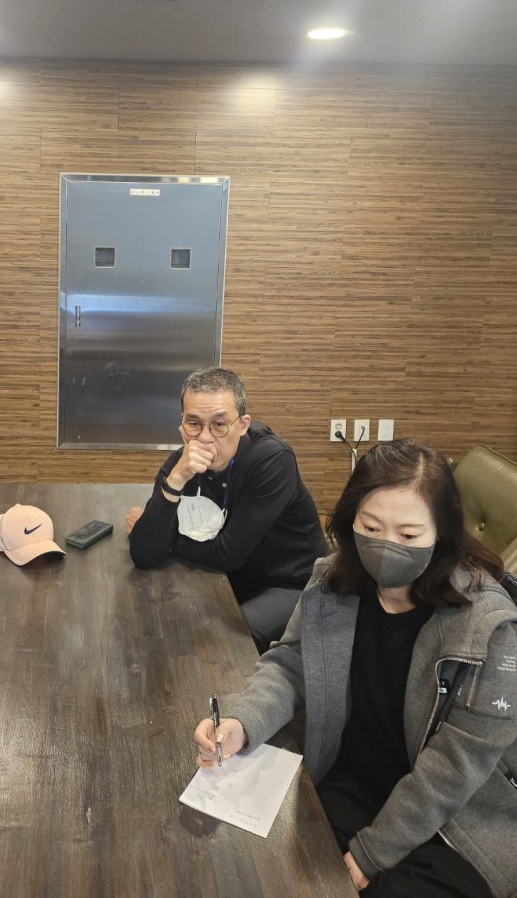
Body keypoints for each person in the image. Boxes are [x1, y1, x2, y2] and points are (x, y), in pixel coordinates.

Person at [194, 439, 517, 897]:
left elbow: (456, 766)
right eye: (371, 527)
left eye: (408, 536)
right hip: (355, 784)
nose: (387, 547)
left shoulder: (490, 628)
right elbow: (290, 663)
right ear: (351, 520)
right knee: (265, 870)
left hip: (460, 824)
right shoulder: (333, 583)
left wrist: (373, 852)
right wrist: (242, 722)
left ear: (442, 533)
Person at [127, 367, 325, 651]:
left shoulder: (271, 460)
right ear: (181, 425)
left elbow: (227, 554)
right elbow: (144, 553)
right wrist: (176, 480)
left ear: (242, 425)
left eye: (219, 424)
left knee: (223, 641)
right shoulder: (180, 463)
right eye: (193, 424)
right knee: (162, 621)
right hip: (232, 578)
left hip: (294, 584)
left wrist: (167, 541)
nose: (205, 438)